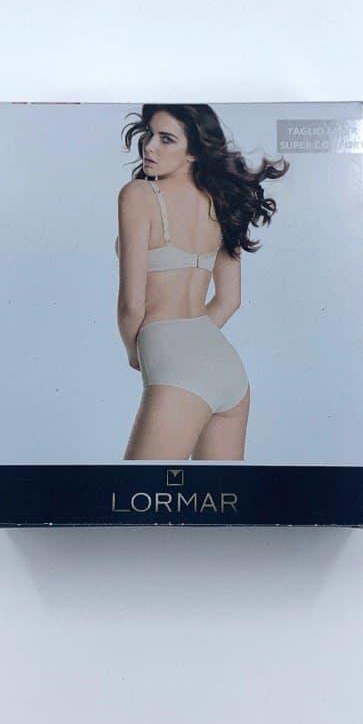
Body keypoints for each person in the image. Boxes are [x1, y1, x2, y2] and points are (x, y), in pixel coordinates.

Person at [115, 105, 288, 460]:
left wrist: (138, 353)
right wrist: (190, 344)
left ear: (193, 151)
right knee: (217, 495)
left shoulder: (138, 195)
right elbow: (229, 300)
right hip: (226, 366)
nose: (150, 146)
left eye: (166, 139)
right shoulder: (222, 202)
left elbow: (132, 306)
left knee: (139, 492)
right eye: (149, 134)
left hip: (175, 364)